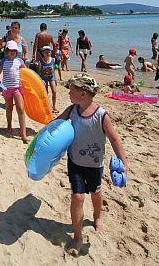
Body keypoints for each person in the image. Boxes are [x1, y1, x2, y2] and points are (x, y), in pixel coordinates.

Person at [55, 74, 127, 257]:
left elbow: (114, 139)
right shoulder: (72, 110)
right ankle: (78, 237)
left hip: (94, 164)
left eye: (71, 90)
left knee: (95, 192)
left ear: (83, 94)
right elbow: (55, 123)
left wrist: (123, 163)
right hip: (75, 162)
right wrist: (43, 139)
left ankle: (97, 216)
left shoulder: (101, 115)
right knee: (77, 197)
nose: (68, 93)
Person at [0, 41, 28, 143]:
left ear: (16, 51)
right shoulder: (2, 61)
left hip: (17, 88)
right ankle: (9, 125)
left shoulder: (20, 61)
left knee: (20, 109)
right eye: (10, 50)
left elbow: (27, 73)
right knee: (9, 108)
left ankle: (23, 134)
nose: (12, 52)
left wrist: (36, 81)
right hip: (6, 89)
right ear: (6, 51)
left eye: (14, 50)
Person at [39, 45, 57, 110]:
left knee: (54, 91)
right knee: (45, 92)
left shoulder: (53, 60)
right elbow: (39, 71)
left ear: (51, 52)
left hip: (52, 77)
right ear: (43, 53)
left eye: (48, 52)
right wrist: (40, 80)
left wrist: (55, 78)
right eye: (45, 52)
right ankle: (46, 106)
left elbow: (55, 67)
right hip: (44, 78)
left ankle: (54, 106)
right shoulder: (41, 61)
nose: (47, 53)